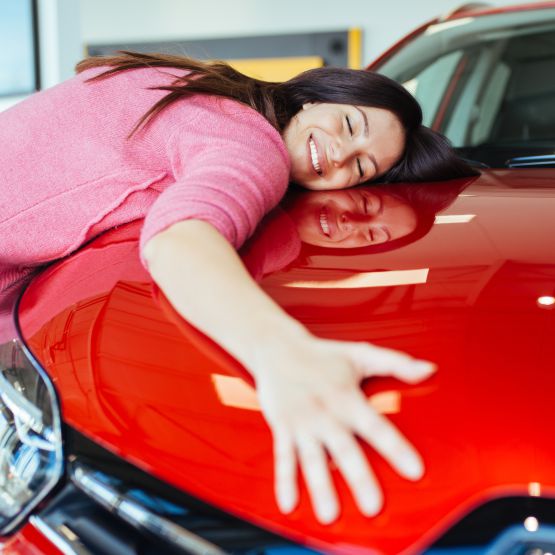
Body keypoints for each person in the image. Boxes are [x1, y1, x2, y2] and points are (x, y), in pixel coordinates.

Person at [0, 51, 477, 524]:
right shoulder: (250, 144)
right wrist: (284, 354)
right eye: (349, 126)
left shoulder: (193, 81)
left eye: (360, 168)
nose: (338, 155)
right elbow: (179, 238)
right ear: (314, 99)